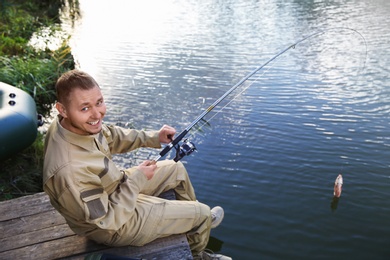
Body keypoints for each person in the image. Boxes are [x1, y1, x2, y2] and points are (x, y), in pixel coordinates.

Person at [43, 69, 232, 260]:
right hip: (113, 226)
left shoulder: (73, 125)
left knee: (176, 170)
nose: (96, 114)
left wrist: (153, 137)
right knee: (201, 213)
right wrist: (136, 181)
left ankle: (191, 222)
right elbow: (107, 220)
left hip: (115, 189)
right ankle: (198, 245)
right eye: (85, 108)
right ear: (62, 109)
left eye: (99, 102)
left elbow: (111, 136)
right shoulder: (69, 170)